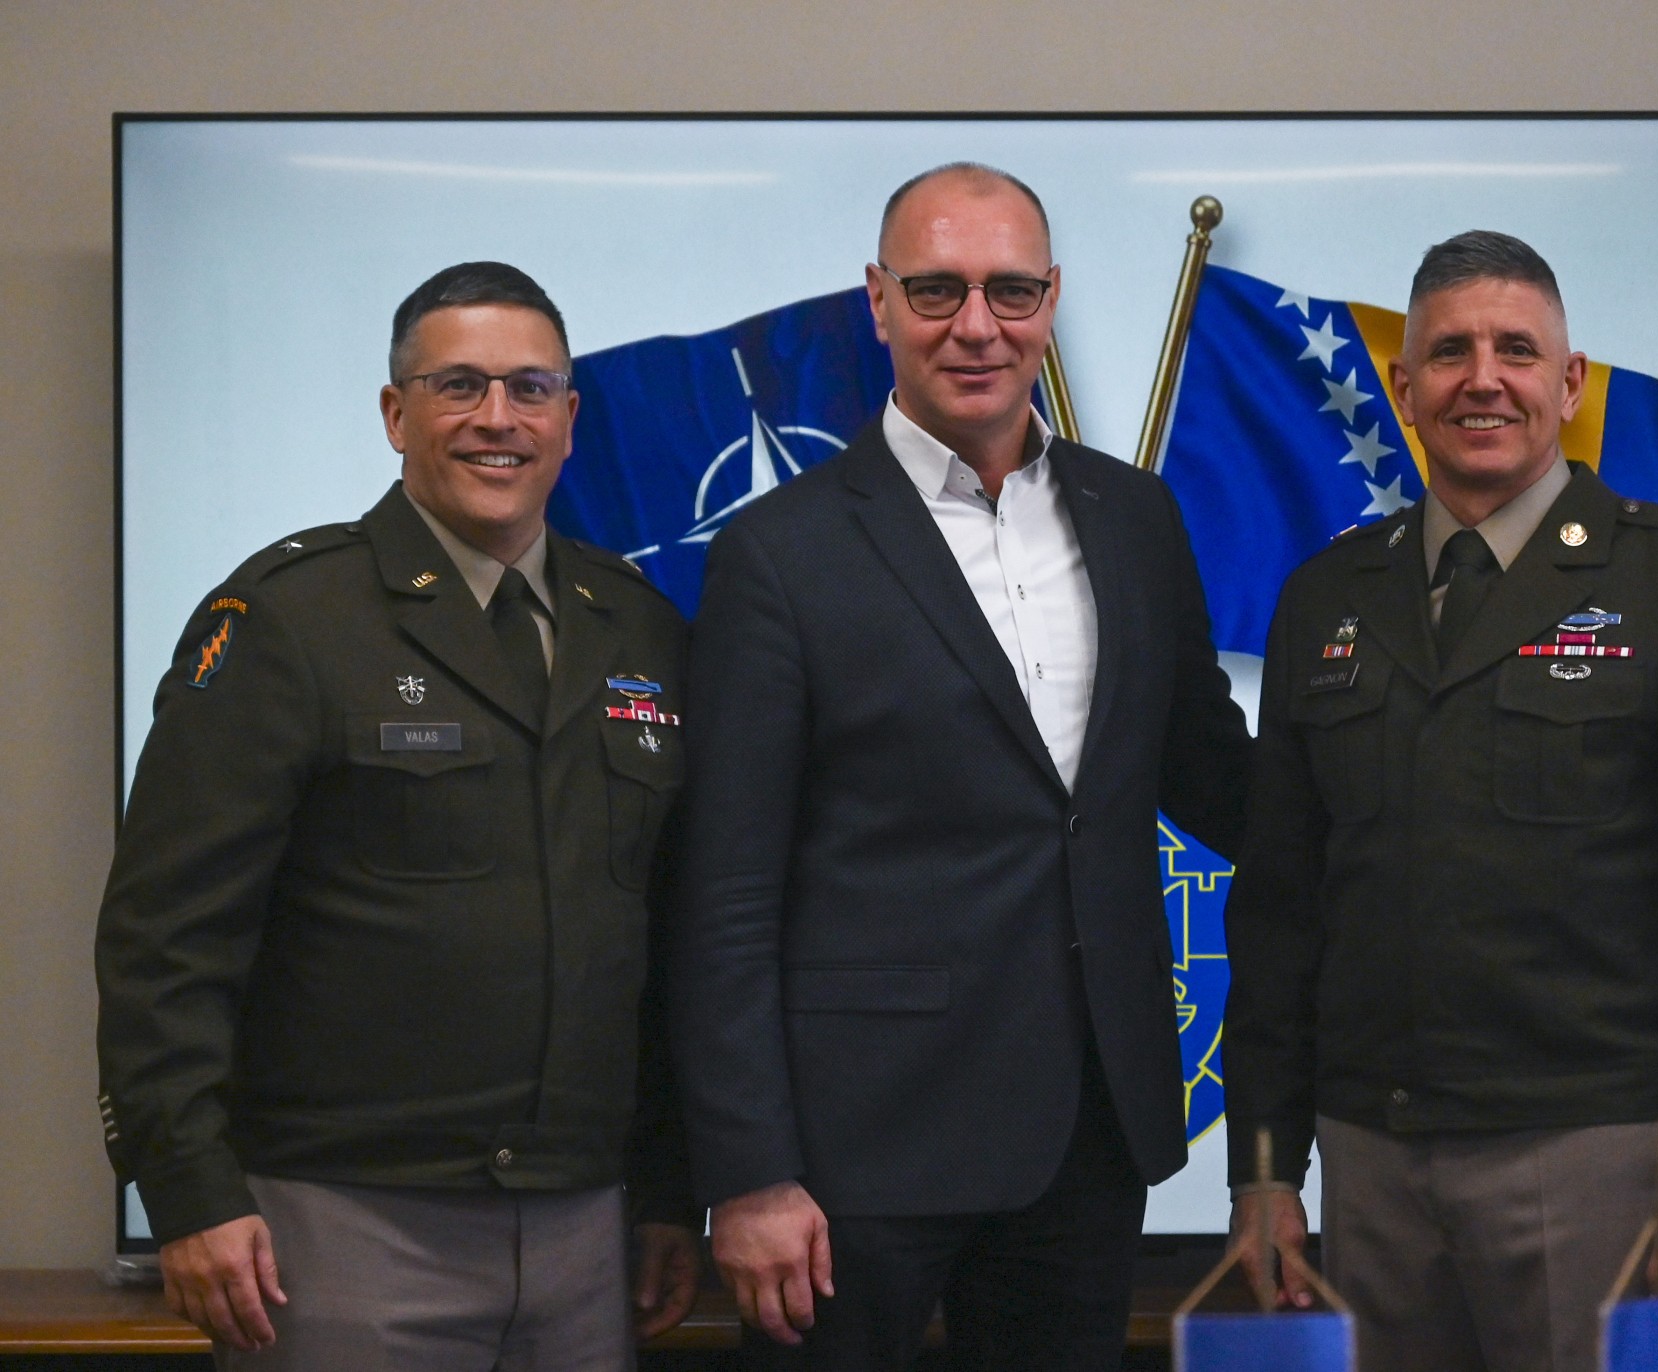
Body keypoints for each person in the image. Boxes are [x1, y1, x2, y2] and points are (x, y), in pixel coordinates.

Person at [671, 163, 1251, 1370]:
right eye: (937, 289)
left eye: (1010, 290)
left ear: (1052, 300)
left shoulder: (1137, 517)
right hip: (855, 1154)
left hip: (1091, 1129)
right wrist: (749, 1169)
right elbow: (722, 888)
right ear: (877, 301)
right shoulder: (778, 552)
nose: (976, 325)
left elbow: (1213, 777)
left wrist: (1417, 821)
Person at [1221, 230, 1658, 1371]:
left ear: (1571, 381)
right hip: (1370, 1163)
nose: (1483, 379)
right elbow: (1279, 913)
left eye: (1516, 349)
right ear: (1404, 387)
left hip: (1603, 1159)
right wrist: (1262, 1168)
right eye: (1450, 352)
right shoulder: (1326, 597)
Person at [95, 262, 700, 1369]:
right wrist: (186, 1187)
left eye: (529, 389)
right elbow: (164, 938)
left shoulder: (639, 626)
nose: (497, 418)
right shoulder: (291, 618)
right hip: (342, 1221)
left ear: (570, 419)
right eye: (458, 385)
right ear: (394, 413)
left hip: (584, 1228)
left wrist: (669, 1185)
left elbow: (664, 941)